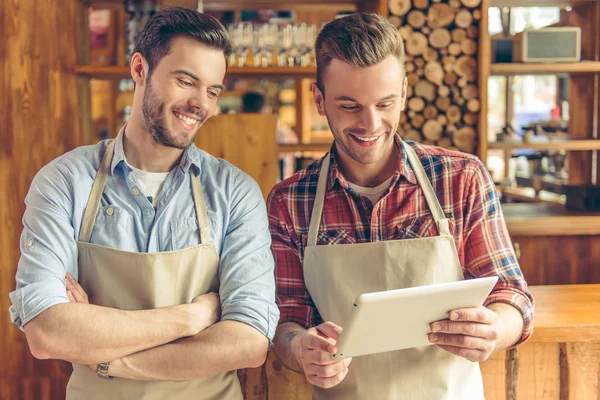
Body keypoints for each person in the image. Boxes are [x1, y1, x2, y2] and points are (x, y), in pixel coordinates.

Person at [9, 7, 278, 400]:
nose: (200, 103)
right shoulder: (65, 182)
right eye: (186, 81)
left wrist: (107, 361)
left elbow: (248, 342)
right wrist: (191, 317)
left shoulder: (235, 193)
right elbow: (48, 332)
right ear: (139, 68)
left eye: (213, 90)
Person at [266, 13, 534, 399]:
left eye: (385, 103)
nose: (370, 124)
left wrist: (495, 327)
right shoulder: (290, 202)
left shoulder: (461, 179)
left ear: (405, 92)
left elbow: (512, 295)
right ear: (319, 100)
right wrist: (299, 348)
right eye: (350, 106)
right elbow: (287, 319)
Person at [241, 91, 298, 179]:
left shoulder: (274, 130)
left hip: (273, 182)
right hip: (283, 183)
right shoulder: (284, 130)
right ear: (268, 109)